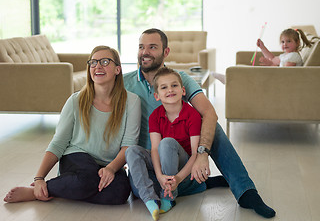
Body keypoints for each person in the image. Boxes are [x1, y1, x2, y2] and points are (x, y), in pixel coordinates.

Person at [124, 28, 275, 219]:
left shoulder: (180, 79)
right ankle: (202, 184)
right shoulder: (124, 83)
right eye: (141, 47)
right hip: (150, 170)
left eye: (152, 47)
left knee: (212, 126)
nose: (145, 52)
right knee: (140, 182)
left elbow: (209, 113)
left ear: (166, 52)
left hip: (180, 163)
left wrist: (202, 155)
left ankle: (246, 192)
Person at [4, 45, 141, 205]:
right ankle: (40, 190)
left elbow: (128, 145)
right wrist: (39, 178)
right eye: (93, 62)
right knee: (86, 178)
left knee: (120, 193)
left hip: (107, 164)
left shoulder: (132, 101)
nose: (97, 66)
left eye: (104, 61)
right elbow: (59, 142)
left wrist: (111, 168)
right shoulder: (76, 100)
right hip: (77, 157)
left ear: (117, 69)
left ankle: (65, 189)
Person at [147, 67, 203, 220]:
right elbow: (154, 150)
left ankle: (169, 197)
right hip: (165, 167)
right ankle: (158, 189)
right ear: (157, 96)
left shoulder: (192, 115)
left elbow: (195, 153)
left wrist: (177, 179)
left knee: (167, 143)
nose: (170, 90)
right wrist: (159, 176)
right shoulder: (155, 116)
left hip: (185, 167)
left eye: (174, 85)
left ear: (183, 90)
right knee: (136, 151)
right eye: (164, 87)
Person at [212, 28, 315, 84]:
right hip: (279, 77)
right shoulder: (287, 55)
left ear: (297, 43)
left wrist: (271, 65)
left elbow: (285, 73)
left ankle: (230, 80)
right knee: (253, 74)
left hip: (283, 81)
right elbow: (273, 58)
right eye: (282, 42)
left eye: (289, 41)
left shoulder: (294, 57)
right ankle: (230, 79)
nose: (285, 44)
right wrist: (262, 47)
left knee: (255, 74)